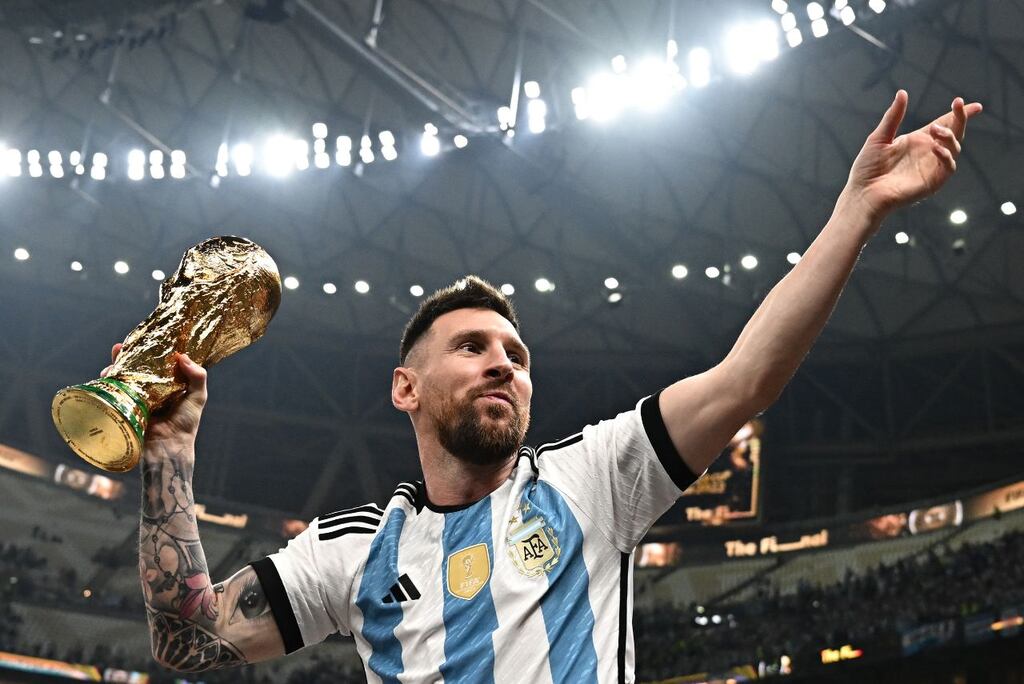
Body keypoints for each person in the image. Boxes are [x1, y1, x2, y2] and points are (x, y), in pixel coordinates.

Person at [107, 91, 980, 682]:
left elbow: (747, 377)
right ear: (405, 388)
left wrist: (856, 212)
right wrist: (170, 456)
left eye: (518, 355)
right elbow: (190, 643)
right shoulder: (355, 550)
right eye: (473, 347)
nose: (504, 364)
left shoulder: (591, 479)